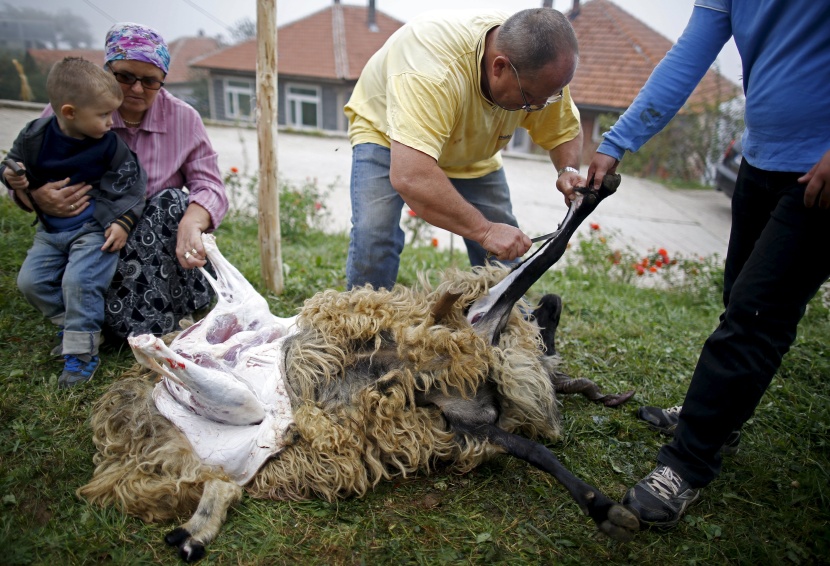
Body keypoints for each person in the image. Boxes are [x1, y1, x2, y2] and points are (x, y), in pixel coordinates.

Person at [583, 0, 830, 528]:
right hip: (761, 158)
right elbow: (688, 57)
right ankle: (717, 420)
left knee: (755, 317)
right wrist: (618, 139)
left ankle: (688, 461)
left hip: (819, 173)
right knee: (741, 298)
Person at [3, 22, 229, 340]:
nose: (136, 89)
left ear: (163, 81)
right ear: (107, 70)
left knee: (171, 201)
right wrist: (37, 196)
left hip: (152, 242)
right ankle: (88, 319)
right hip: (84, 233)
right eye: (124, 76)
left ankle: (131, 317)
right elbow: (24, 176)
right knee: (41, 278)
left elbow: (210, 185)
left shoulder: (183, 119)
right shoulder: (64, 114)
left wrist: (192, 223)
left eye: (150, 81)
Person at [343, 8, 585, 290]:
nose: (538, 107)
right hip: (388, 136)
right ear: (499, 67)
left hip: (470, 149)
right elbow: (412, 176)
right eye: (530, 99)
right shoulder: (431, 67)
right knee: (375, 235)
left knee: (503, 251)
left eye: (547, 98)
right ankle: (364, 323)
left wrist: (568, 170)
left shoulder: (540, 73)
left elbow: (563, 130)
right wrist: (484, 230)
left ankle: (508, 326)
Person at [2, 57, 147, 388]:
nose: (111, 122)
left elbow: (133, 185)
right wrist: (12, 176)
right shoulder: (35, 135)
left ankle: (81, 356)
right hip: (50, 231)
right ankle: (79, 331)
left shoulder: (110, 145)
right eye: (102, 115)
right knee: (30, 283)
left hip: (93, 231)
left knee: (79, 282)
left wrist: (123, 221)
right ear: (69, 112)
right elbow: (12, 162)